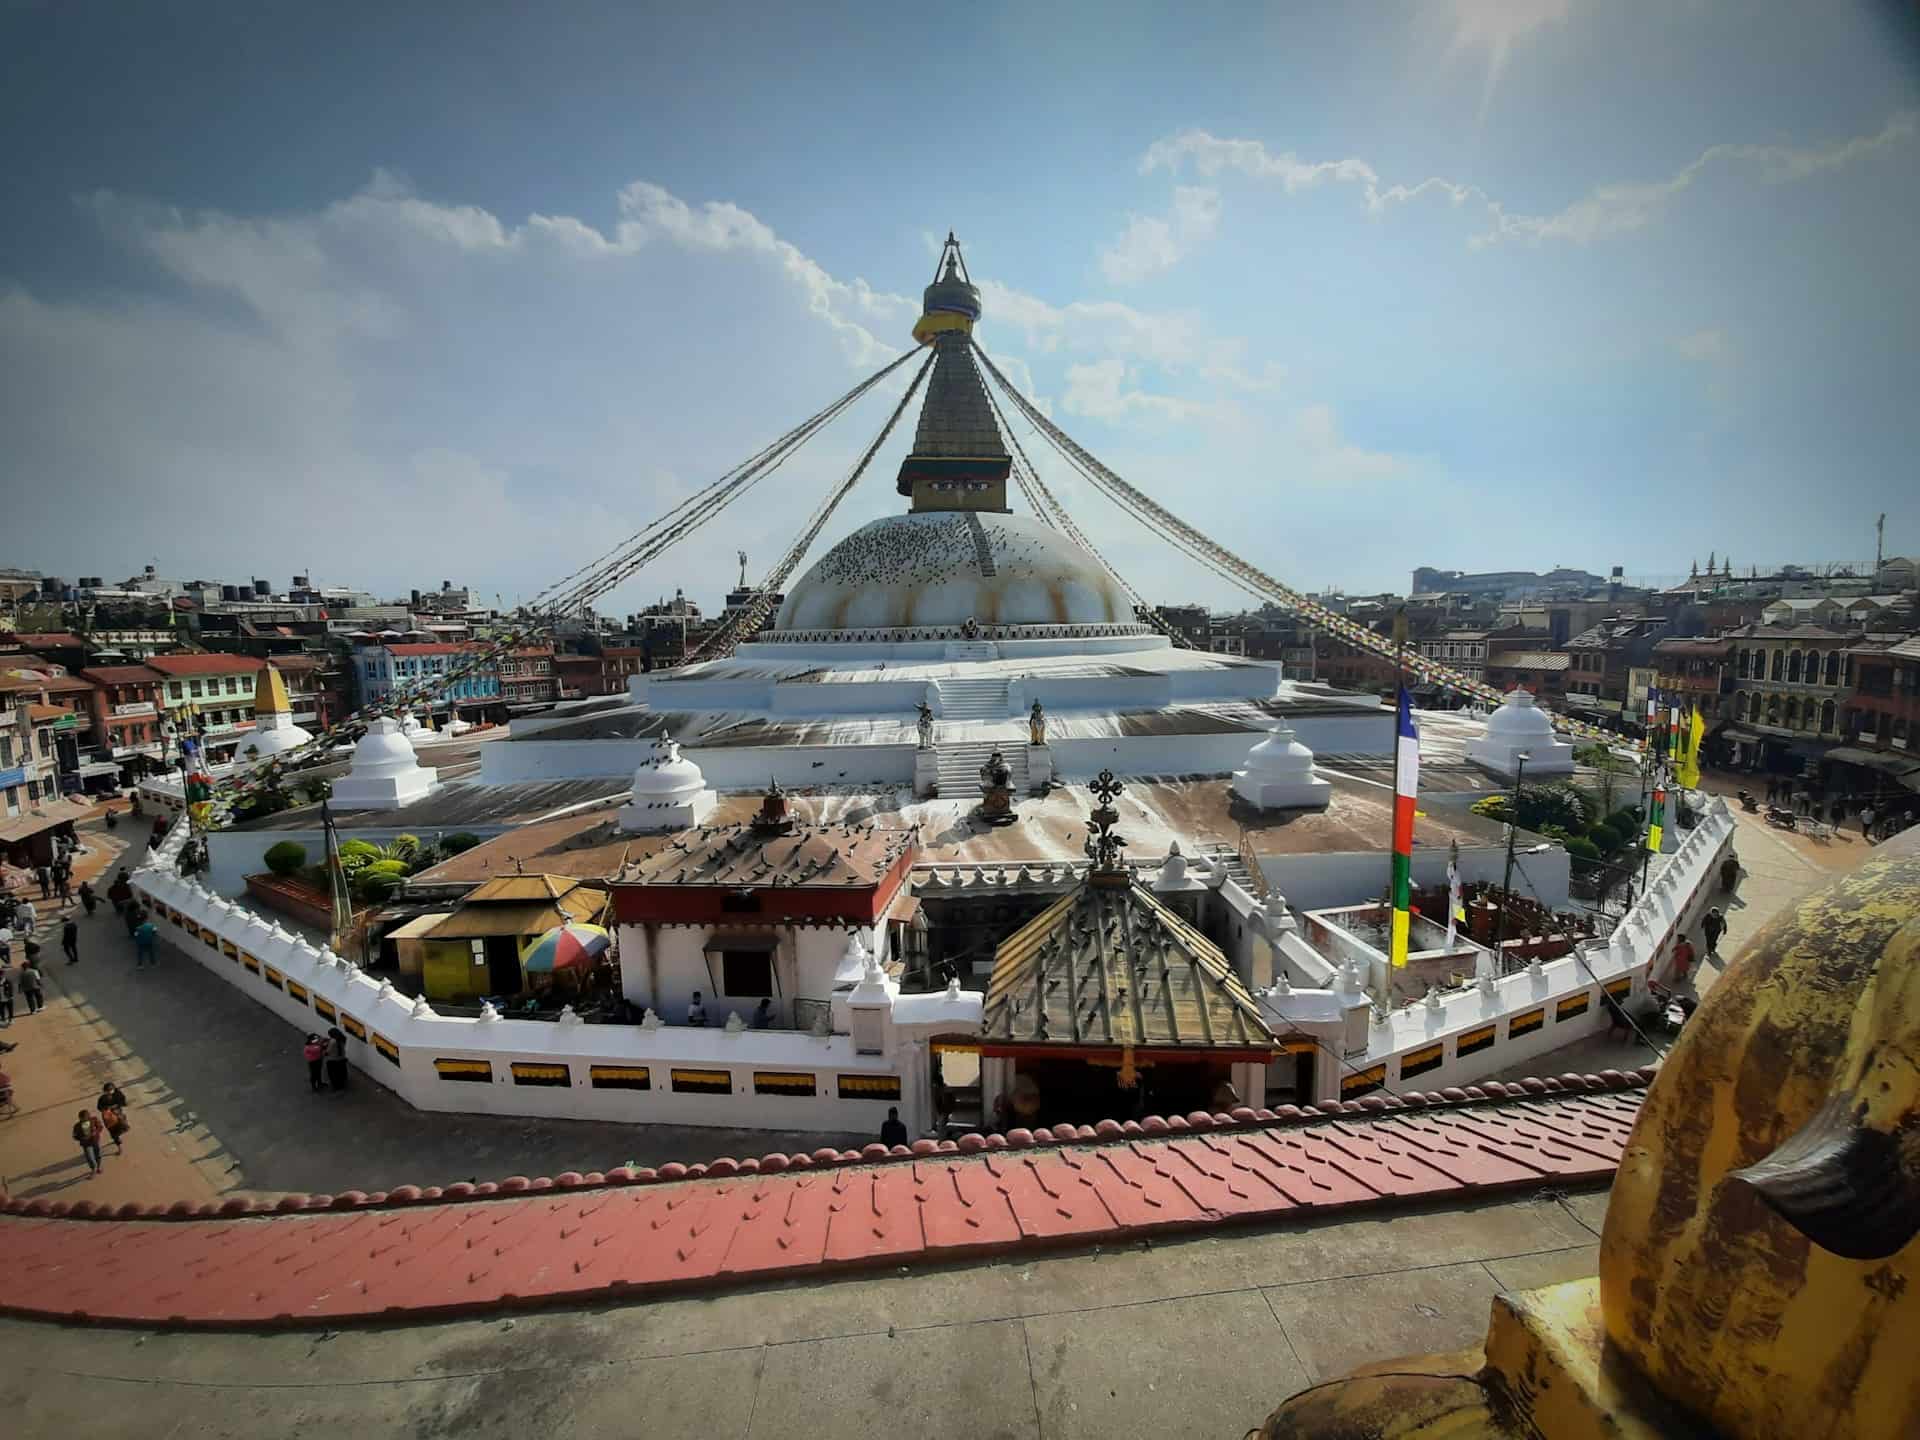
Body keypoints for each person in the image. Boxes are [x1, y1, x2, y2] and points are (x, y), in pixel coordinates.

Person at [98, 1082, 129, 1153]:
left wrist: (117, 1106)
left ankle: (117, 1137)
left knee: (123, 1126)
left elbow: (123, 1101)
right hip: (108, 1117)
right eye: (107, 1090)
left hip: (118, 1113)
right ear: (105, 1091)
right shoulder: (102, 1098)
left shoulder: (118, 1094)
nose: (109, 1091)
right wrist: (106, 1108)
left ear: (113, 1089)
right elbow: (99, 1107)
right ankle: (119, 1147)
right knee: (113, 1131)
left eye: (111, 1089)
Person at [73, 1109, 104, 1177]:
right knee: (89, 1157)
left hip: (95, 1141)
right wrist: (81, 1138)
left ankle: (98, 1167)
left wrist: (95, 1132)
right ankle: (93, 1169)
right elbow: (75, 1136)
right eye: (82, 1118)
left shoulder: (94, 1120)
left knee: (98, 1154)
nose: (84, 1119)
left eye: (86, 1117)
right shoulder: (77, 1126)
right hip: (86, 1144)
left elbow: (100, 1127)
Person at [326, 1026, 349, 1092]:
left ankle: (336, 1086)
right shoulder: (343, 1038)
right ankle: (343, 1084)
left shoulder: (332, 1041)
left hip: (333, 1060)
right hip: (342, 1058)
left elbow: (327, 1051)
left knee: (333, 1074)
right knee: (341, 1072)